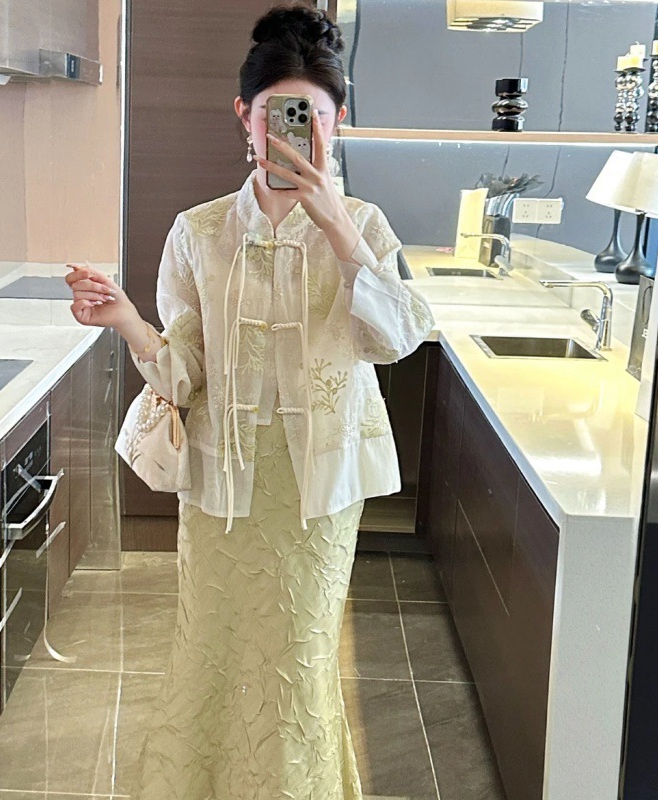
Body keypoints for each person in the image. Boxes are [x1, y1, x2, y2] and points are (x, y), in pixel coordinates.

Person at [66, 4, 434, 798]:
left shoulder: (363, 225)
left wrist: (335, 226)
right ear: (245, 115)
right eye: (275, 113)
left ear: (337, 121)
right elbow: (184, 377)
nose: (294, 131)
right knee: (210, 649)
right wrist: (125, 319)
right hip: (219, 488)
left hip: (316, 492)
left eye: (314, 116)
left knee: (298, 657)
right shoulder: (199, 232)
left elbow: (399, 338)